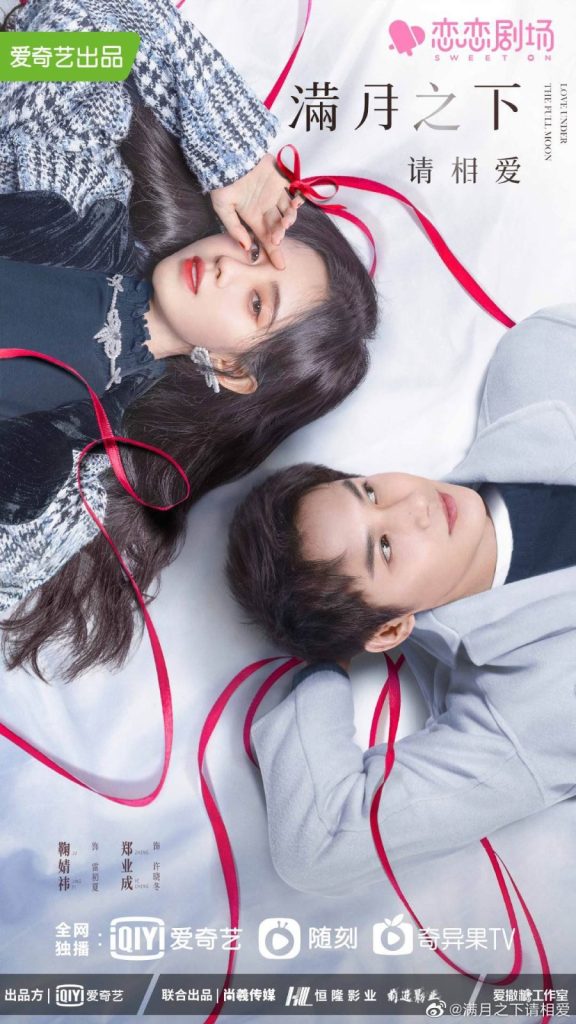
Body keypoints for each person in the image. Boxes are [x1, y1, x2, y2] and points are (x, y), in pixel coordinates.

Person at [0, 0, 378, 680]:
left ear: (233, 369)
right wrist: (237, 158)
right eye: (254, 248)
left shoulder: (73, 485)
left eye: (257, 302)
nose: (231, 269)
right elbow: (61, 31)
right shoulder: (77, 180)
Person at [226, 304, 576, 895]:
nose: (413, 506)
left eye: (369, 492)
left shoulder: (543, 360)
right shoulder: (518, 717)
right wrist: (326, 664)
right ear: (389, 631)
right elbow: (319, 845)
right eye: (384, 549)